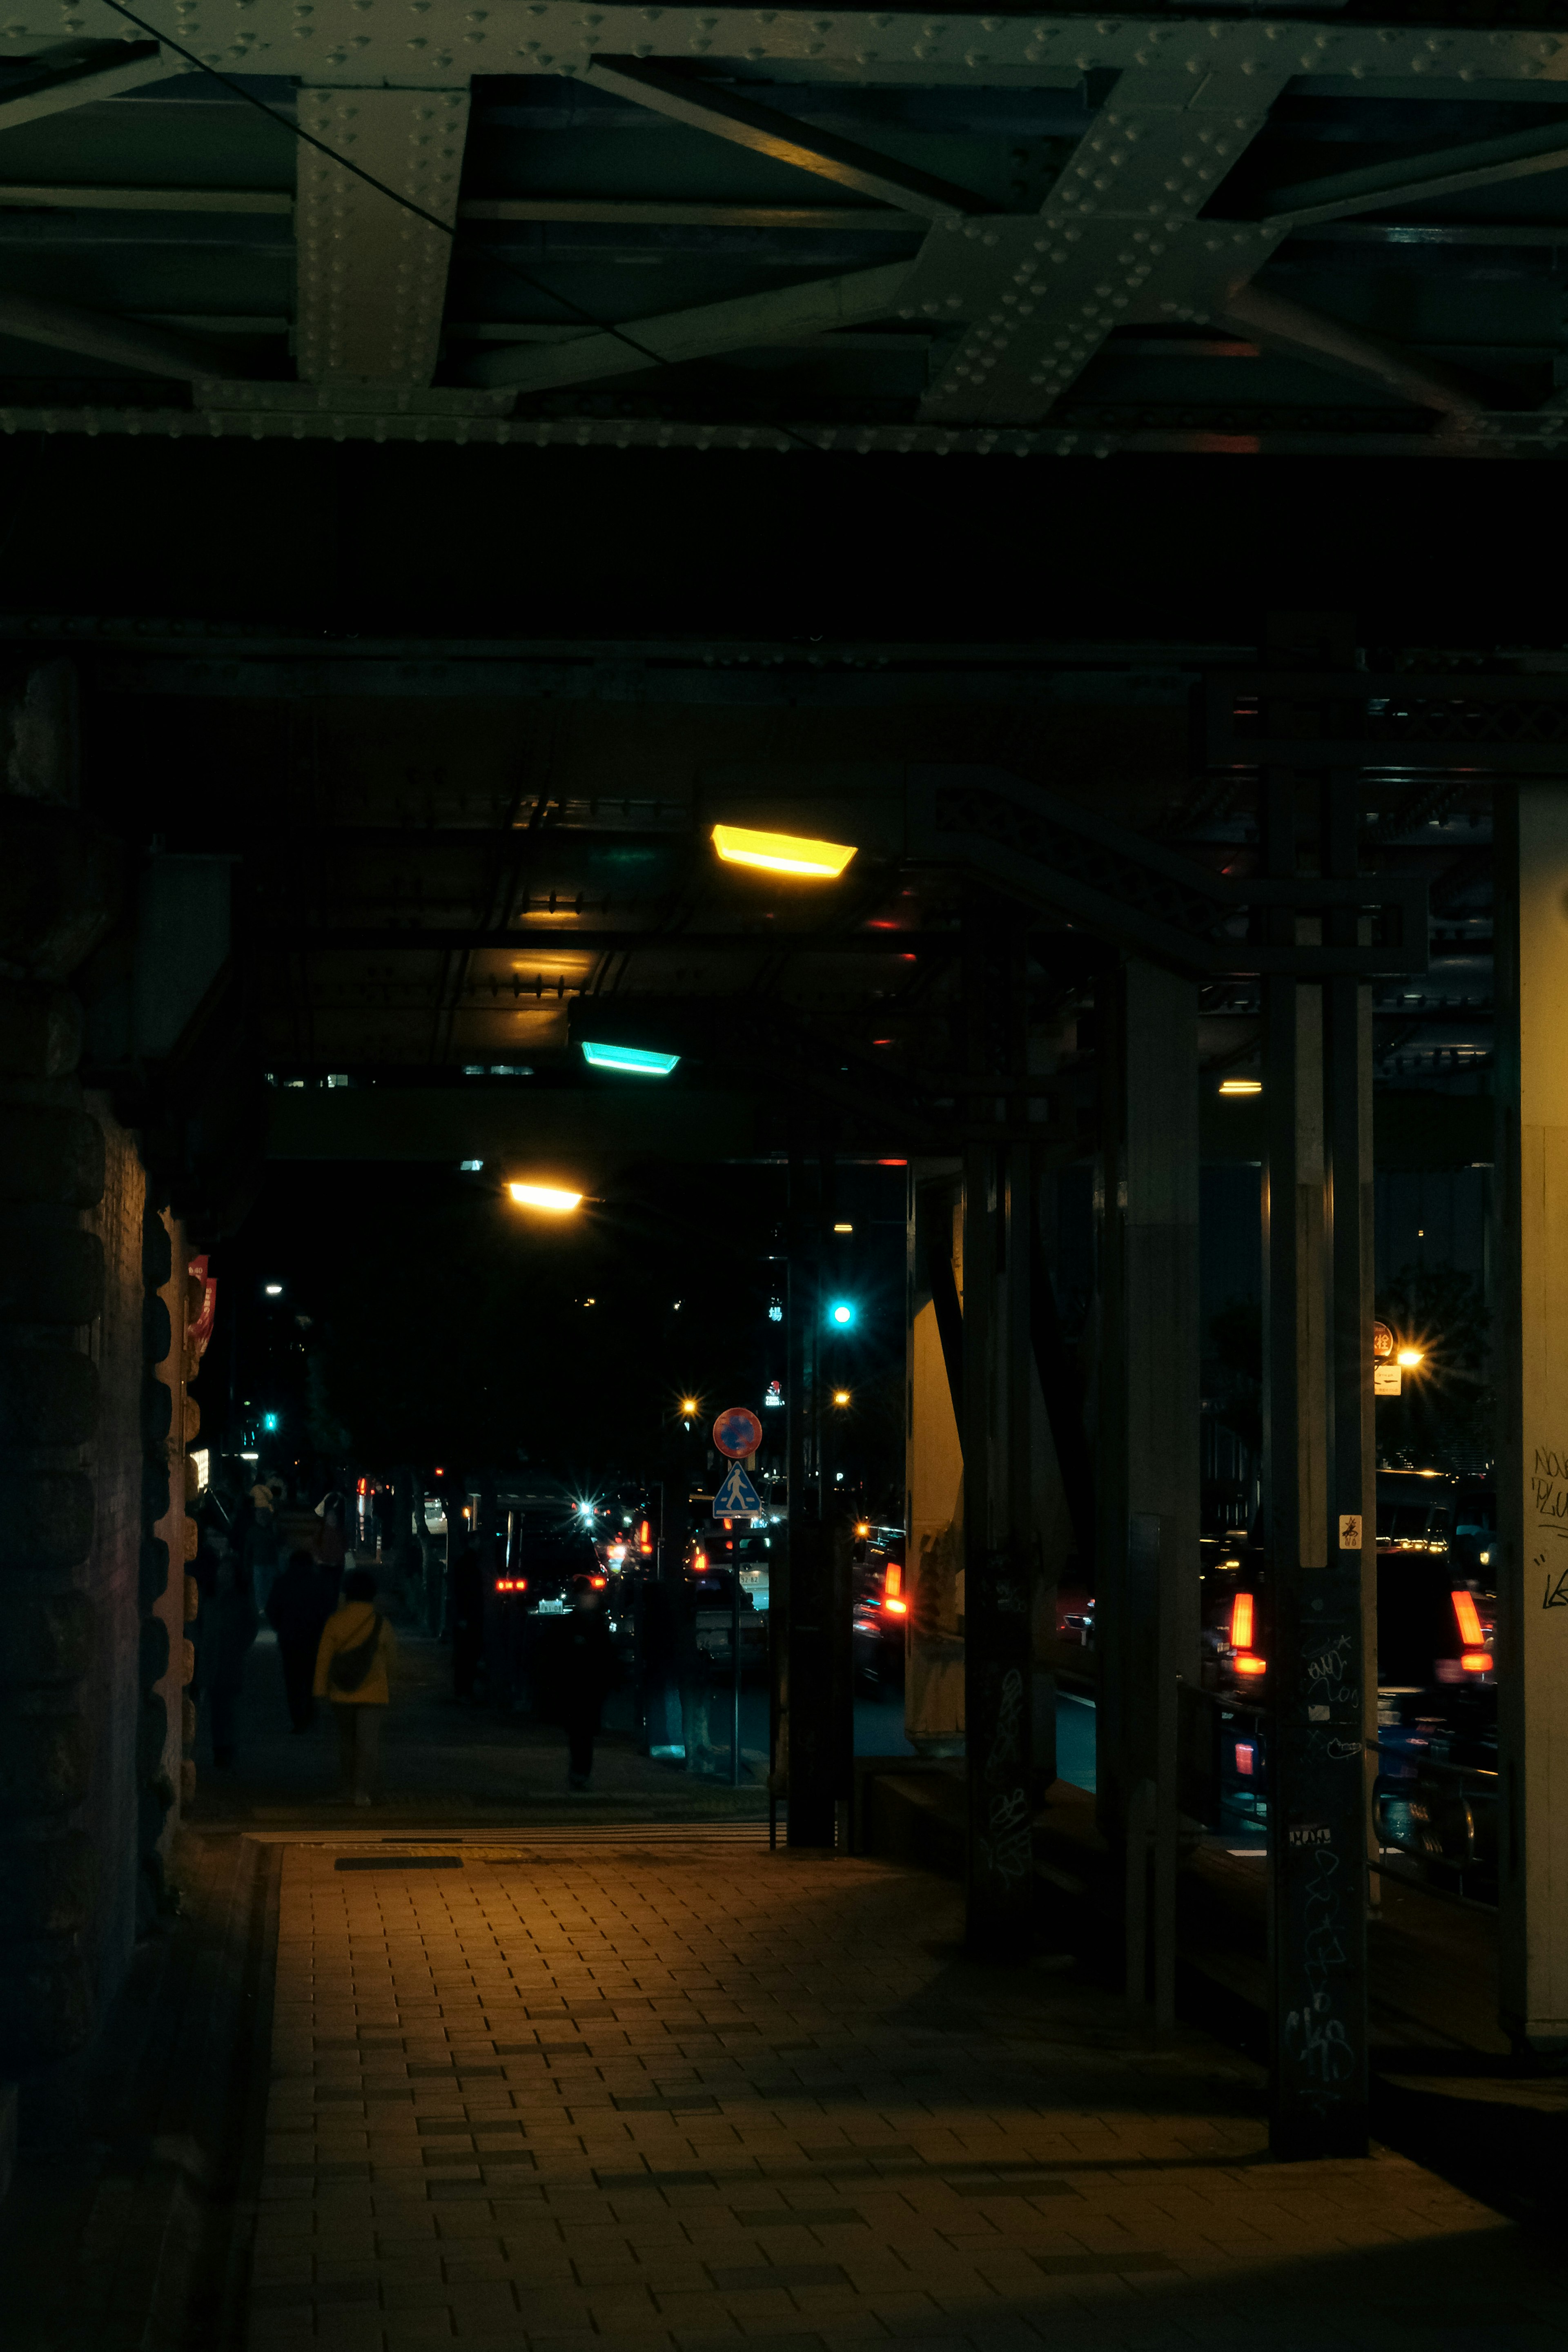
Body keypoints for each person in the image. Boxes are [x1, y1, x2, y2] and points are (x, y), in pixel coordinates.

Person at [313, 1566, 396, 1806]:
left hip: (342, 1694)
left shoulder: (336, 1622)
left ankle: (346, 1788)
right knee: (369, 1745)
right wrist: (389, 1682)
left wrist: (319, 1691)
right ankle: (364, 1792)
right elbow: (391, 1660)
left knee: (347, 1743)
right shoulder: (382, 1624)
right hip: (375, 1693)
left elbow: (324, 1660)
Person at [557, 1574, 616, 1791]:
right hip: (584, 1684)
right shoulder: (589, 1622)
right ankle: (580, 1771)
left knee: (581, 1733)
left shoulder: (584, 1622)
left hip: (584, 1684)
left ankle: (579, 1771)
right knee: (582, 1733)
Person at [267, 1547, 334, 1732]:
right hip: (314, 1637)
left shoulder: (282, 1582)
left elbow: (272, 1609)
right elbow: (329, 1608)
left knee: (293, 1681)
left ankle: (298, 1720)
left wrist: (280, 1627)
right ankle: (311, 1714)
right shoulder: (320, 1582)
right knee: (311, 1678)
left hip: (290, 1638)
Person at [204, 1550, 258, 1770]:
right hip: (211, 1660)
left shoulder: (240, 1600)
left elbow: (251, 1627)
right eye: (221, 1570)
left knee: (227, 1708)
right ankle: (221, 1748)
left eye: (228, 1571)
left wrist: (238, 1647)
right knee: (217, 1709)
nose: (223, 1574)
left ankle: (226, 1748)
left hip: (229, 1661)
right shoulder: (209, 1596)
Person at [449, 1544, 485, 1702]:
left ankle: (461, 1689)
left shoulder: (462, 1567)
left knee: (464, 1655)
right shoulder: (472, 1570)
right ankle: (465, 1689)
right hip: (471, 1617)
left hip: (466, 1617)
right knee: (469, 1655)